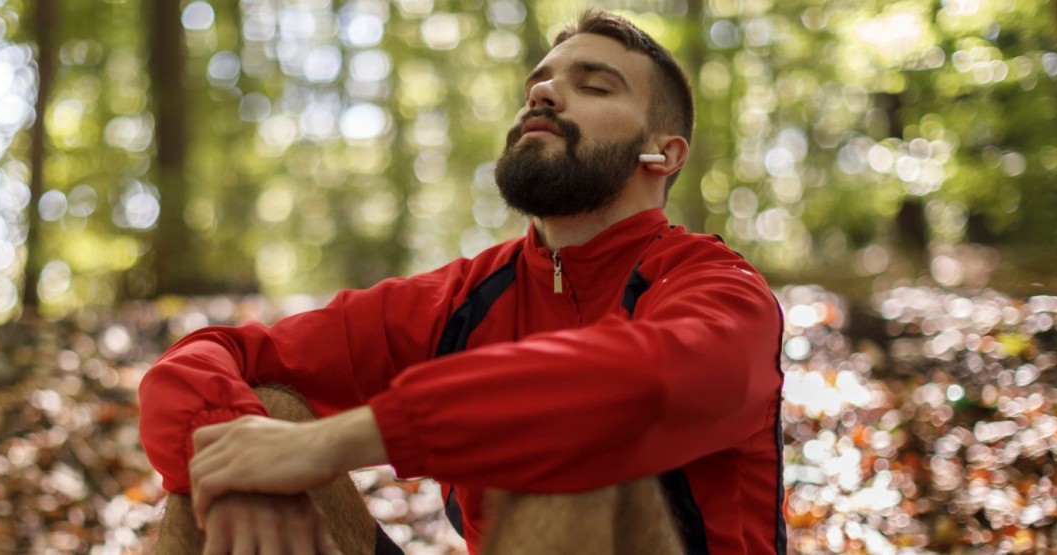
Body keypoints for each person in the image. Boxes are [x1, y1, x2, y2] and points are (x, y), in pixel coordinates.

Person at [139, 9, 785, 554]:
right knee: (243, 422)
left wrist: (334, 441)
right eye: (539, 83)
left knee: (575, 447)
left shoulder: (721, 288)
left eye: (594, 87)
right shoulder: (465, 297)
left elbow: (642, 383)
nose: (544, 94)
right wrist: (247, 474)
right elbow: (207, 356)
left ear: (663, 153)